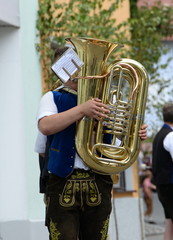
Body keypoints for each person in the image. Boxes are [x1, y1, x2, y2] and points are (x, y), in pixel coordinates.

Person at [35, 46, 148, 240]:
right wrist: (82, 110)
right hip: (62, 183)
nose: (79, 74)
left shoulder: (105, 100)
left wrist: (134, 133)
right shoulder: (52, 97)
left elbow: (117, 145)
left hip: (98, 181)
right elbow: (45, 127)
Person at [152, 103, 173, 240]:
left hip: (162, 186)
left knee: (169, 222)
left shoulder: (159, 135)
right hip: (171, 186)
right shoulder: (171, 135)